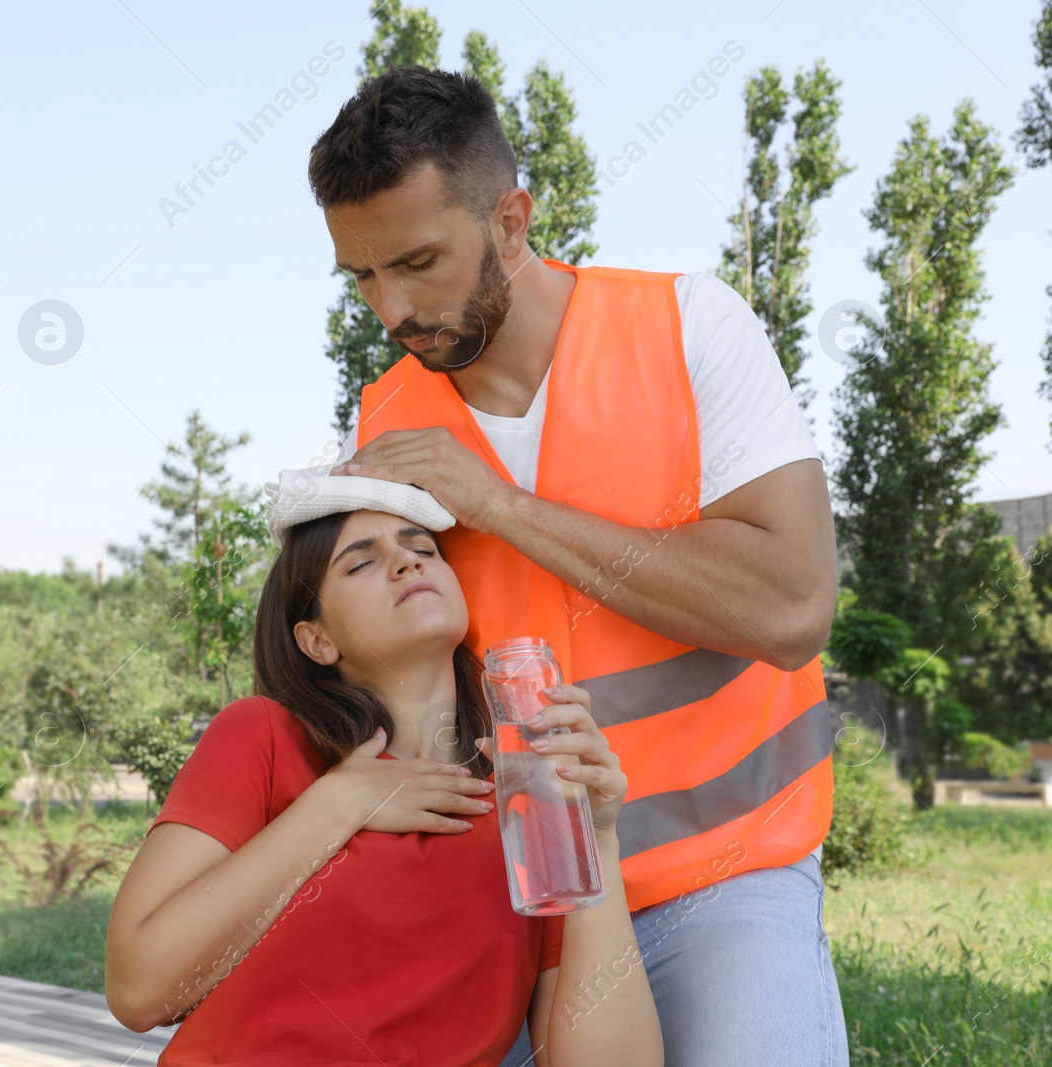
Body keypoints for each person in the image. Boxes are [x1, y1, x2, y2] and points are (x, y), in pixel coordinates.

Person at [306, 65, 848, 1066]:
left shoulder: (688, 327)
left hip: (723, 873)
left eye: (420, 261)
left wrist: (500, 507)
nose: (393, 308)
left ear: (510, 220)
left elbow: (791, 607)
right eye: (364, 276)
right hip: (515, 898)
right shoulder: (384, 417)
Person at [105, 473, 663, 1067]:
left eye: (422, 548)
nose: (406, 562)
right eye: (360, 563)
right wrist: (337, 803)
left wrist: (592, 839)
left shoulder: (527, 812)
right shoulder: (264, 738)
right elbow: (138, 990)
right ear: (316, 640)